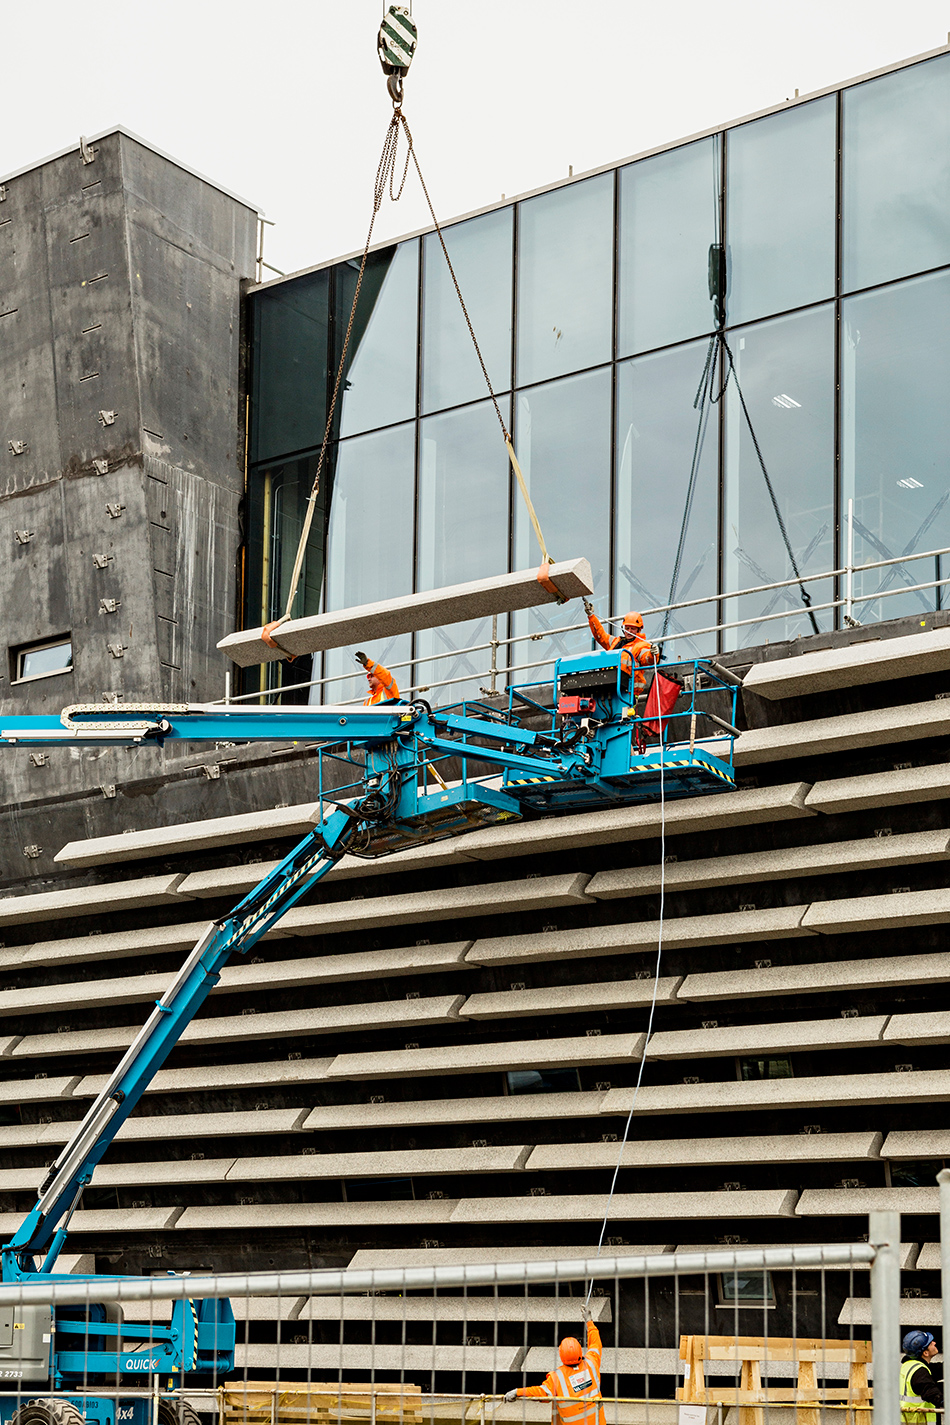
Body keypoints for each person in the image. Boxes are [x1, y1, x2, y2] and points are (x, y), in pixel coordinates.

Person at [504, 1315, 605, 1425]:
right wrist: (589, 1322)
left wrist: (517, 1392)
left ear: (561, 1355)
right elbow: (595, 1343)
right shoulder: (591, 1363)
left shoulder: (557, 1377)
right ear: (580, 1351)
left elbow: (540, 1392)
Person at [583, 601, 656, 693]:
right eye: (627, 628)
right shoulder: (615, 642)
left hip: (627, 693)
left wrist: (654, 654)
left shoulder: (641, 645)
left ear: (638, 629)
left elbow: (647, 658)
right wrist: (591, 616)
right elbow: (600, 635)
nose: (629, 631)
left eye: (632, 628)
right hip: (609, 686)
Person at [901, 1331, 943, 1424]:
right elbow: (930, 1392)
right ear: (926, 1353)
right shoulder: (919, 1372)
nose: (934, 1343)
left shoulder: (909, 1365)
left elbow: (939, 1370)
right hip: (919, 1421)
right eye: (930, 1343)